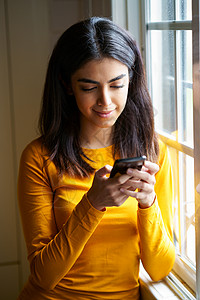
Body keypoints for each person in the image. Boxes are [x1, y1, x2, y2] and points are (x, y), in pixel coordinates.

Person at [17, 17, 175, 300]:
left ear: (131, 79)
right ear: (67, 85)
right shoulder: (39, 157)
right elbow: (43, 275)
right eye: (89, 87)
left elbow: (160, 269)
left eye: (117, 85)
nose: (105, 101)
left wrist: (148, 204)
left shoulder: (153, 151)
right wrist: (92, 205)